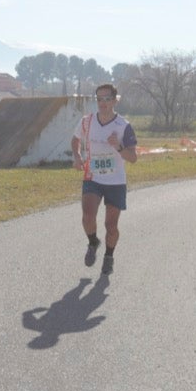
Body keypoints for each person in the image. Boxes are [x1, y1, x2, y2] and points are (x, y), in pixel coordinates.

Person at [71, 83, 138, 275]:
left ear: (115, 101)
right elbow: (75, 140)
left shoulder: (124, 126)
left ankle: (109, 256)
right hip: (93, 177)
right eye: (99, 99)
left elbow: (133, 158)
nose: (102, 103)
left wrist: (118, 147)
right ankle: (93, 242)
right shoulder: (87, 121)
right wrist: (77, 156)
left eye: (107, 99)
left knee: (111, 225)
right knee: (88, 216)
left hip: (115, 181)